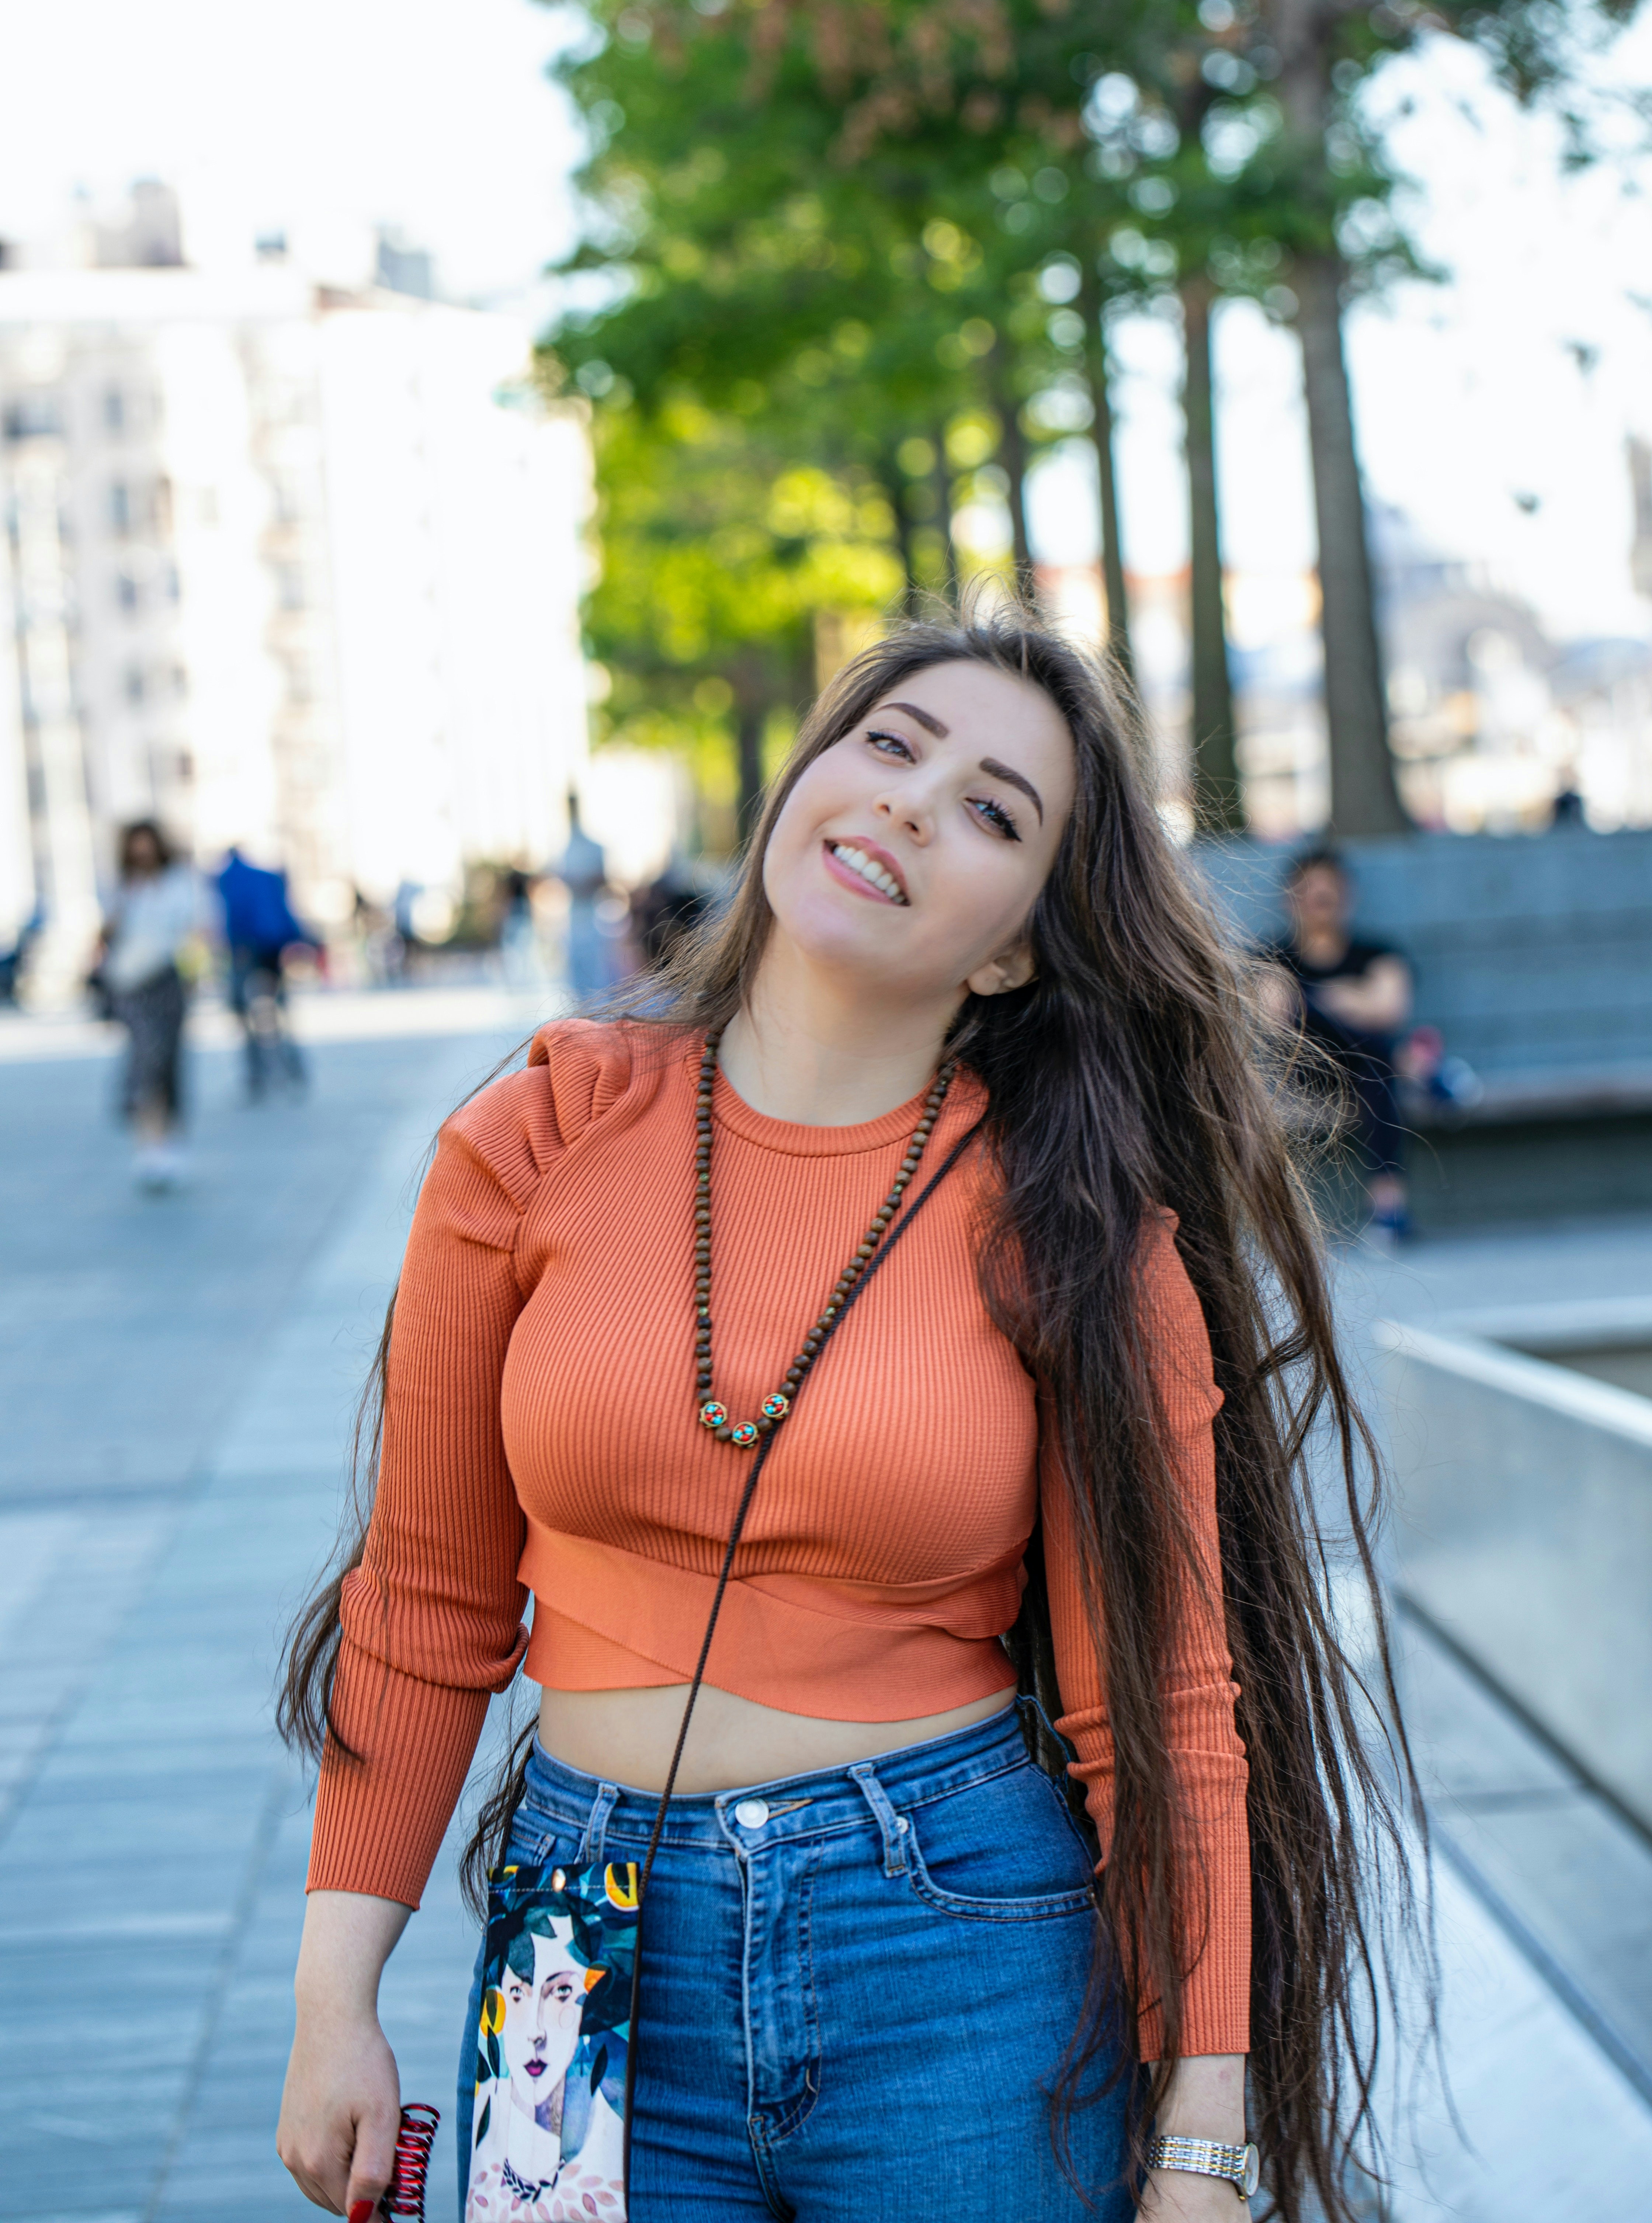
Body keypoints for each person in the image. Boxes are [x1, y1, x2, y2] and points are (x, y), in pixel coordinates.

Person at [277, 611, 1414, 2223]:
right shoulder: (532, 1134)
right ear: (803, 779)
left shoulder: (1076, 1227)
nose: (906, 799)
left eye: (989, 808)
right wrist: (338, 1995)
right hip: (575, 1942)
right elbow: (426, 1599)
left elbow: (1163, 1698)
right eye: (886, 745)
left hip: (953, 1953)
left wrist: (1205, 2138)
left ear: (1014, 942)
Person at [1260, 847, 1414, 1244]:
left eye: (1328, 895)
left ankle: (1387, 1205)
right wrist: (1347, 997)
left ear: (1347, 897)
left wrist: (1309, 998)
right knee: (1379, 1055)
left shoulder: (1376, 953)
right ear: (1290, 900)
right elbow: (1272, 1016)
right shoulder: (1270, 957)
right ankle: (1389, 1206)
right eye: (1309, 893)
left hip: (1365, 1075)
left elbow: (1390, 1009)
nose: (1319, 904)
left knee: (1374, 1060)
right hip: (1306, 1074)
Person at [99, 819, 208, 1190]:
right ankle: (149, 1143)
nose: (141, 853)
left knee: (168, 1061)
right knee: (146, 1058)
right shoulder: (123, 888)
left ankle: (167, 1140)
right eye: (135, 846)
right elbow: (107, 934)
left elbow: (197, 930)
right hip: (129, 985)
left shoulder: (180, 883)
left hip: (168, 980)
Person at [215, 846, 312, 1100]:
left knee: (245, 1015)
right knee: (280, 1012)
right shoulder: (266, 876)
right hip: (273, 948)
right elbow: (285, 912)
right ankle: (294, 1070)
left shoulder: (227, 879)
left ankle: (257, 1074)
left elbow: (231, 918)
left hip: (246, 950)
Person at [557, 794, 610, 1002]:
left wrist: (583, 883)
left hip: (592, 916)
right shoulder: (566, 848)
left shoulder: (591, 847)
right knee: (577, 971)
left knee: (595, 970)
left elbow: (601, 879)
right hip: (574, 917)